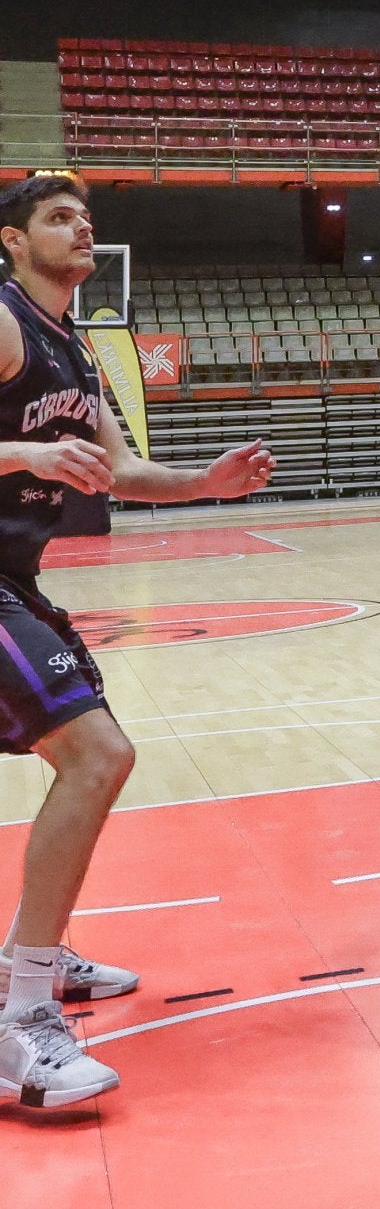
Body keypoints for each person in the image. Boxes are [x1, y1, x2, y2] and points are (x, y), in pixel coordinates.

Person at [0, 174, 274, 1110]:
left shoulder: (75, 347)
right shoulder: (1, 322)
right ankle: (19, 1014)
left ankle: (29, 958)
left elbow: (119, 471)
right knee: (98, 755)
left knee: (91, 759)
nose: (81, 229)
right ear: (11, 240)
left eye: (86, 218)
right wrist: (23, 455)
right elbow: (44, 459)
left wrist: (209, 484)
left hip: (13, 581)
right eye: (58, 217)